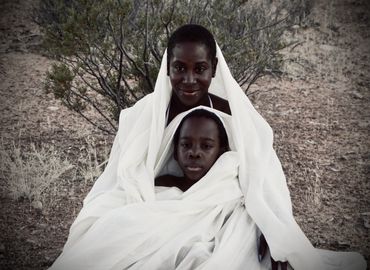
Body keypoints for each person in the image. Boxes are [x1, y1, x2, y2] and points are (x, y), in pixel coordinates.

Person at [49, 25, 366, 270]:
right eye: (179, 68)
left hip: (219, 209)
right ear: (168, 68)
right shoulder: (142, 115)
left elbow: (263, 181)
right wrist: (144, 203)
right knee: (104, 234)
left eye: (199, 68)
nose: (188, 79)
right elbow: (121, 177)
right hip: (153, 201)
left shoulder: (234, 116)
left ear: (213, 68)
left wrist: (275, 234)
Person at [155, 109, 230, 192]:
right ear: (175, 152)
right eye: (186, 145)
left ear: (221, 153)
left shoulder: (228, 191)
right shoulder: (160, 186)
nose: (194, 153)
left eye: (206, 146)